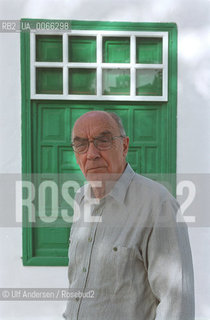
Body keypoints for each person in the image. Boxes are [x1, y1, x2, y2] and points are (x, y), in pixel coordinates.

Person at [63, 110, 194, 320]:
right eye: (81, 144)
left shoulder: (157, 204)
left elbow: (176, 304)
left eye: (103, 141)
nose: (92, 153)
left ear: (124, 146)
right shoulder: (81, 199)